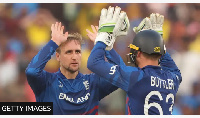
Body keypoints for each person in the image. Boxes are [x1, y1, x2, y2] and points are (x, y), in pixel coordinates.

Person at [87, 7, 182, 115]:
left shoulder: (136, 77)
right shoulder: (174, 78)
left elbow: (93, 62)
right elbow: (167, 61)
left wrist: (103, 39)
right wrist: (156, 40)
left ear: (139, 53)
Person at [25, 21, 129, 115]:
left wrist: (105, 46)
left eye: (77, 52)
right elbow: (31, 71)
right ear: (58, 56)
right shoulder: (47, 82)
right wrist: (53, 42)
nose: (74, 57)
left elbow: (121, 74)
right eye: (69, 52)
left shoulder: (93, 83)